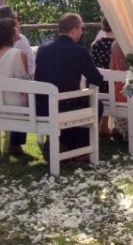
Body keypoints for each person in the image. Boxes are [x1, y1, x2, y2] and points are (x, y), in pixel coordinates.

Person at [34, 13, 104, 159]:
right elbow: (96, 79)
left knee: (76, 99)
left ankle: (63, 141)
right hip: (63, 104)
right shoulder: (79, 51)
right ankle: (81, 148)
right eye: (82, 28)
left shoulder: (43, 49)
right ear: (73, 29)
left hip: (41, 105)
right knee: (96, 104)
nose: (82, 31)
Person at [0, 18, 32, 157]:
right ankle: (15, 145)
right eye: (15, 28)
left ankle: (15, 144)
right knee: (36, 100)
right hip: (16, 105)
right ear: (9, 33)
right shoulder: (19, 54)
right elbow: (25, 84)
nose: (18, 29)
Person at [0, 4, 34, 102]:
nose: (19, 22)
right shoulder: (20, 41)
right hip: (9, 101)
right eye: (17, 18)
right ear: (9, 23)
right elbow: (30, 73)